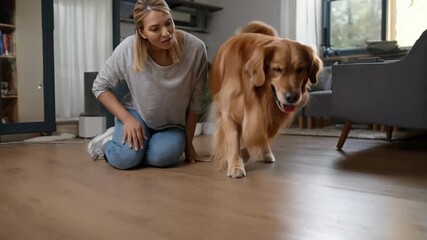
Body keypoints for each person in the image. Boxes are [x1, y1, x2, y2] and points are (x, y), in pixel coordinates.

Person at [87, 0, 210, 170]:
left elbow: (196, 103)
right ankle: (107, 142)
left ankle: (136, 149)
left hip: (171, 124)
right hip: (137, 115)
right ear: (142, 32)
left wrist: (188, 146)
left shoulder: (196, 49)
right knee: (126, 159)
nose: (166, 33)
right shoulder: (128, 49)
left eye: (169, 23)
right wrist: (127, 119)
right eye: (155, 29)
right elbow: (100, 86)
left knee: (162, 157)